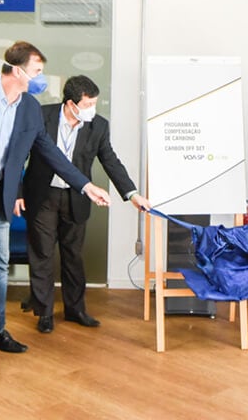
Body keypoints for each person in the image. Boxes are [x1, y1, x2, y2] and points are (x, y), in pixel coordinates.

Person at [0, 41, 112, 368]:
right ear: (17, 70)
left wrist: (85, 186)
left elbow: (50, 152)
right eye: (38, 71)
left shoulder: (29, 107)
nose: (42, 78)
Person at [22, 75, 151, 333]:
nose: (93, 108)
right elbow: (18, 154)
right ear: (71, 104)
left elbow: (110, 161)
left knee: (73, 256)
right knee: (42, 255)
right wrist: (16, 192)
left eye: (95, 103)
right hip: (42, 195)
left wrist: (132, 194)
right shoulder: (41, 116)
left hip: (77, 197)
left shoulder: (98, 126)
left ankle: (75, 309)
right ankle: (45, 312)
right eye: (88, 103)